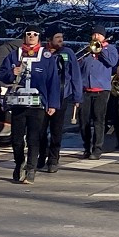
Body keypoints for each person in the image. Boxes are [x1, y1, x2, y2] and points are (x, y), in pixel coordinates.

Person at [0, 25, 61, 184]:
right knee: (17, 140)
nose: (31, 36)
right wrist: (12, 73)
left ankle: (31, 169)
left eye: (35, 34)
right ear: (24, 37)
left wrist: (52, 103)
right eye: (29, 34)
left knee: (34, 138)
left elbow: (53, 81)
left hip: (37, 103)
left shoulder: (46, 57)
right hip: (18, 103)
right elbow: (1, 75)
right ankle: (19, 163)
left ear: (39, 37)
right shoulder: (14, 55)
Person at [38, 31, 82, 173]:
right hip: (43, 97)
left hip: (61, 96)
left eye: (62, 37)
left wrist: (77, 96)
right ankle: (41, 154)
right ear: (49, 39)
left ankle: (53, 159)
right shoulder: (41, 52)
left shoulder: (68, 53)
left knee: (57, 130)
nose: (61, 40)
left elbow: (75, 75)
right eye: (57, 38)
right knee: (40, 130)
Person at [77, 27, 119, 159]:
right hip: (85, 90)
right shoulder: (87, 50)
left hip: (102, 90)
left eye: (99, 34)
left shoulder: (110, 49)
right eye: (94, 34)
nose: (96, 36)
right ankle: (86, 147)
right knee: (83, 121)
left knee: (98, 120)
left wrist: (100, 51)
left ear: (104, 37)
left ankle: (97, 149)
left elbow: (112, 62)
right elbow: (79, 67)